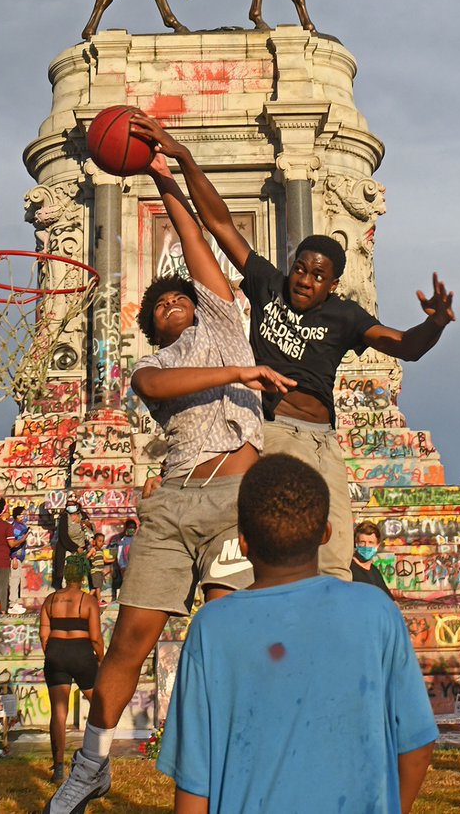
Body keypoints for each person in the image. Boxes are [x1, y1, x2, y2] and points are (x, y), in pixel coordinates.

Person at [44, 152, 293, 814]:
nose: (178, 301)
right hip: (175, 500)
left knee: (226, 628)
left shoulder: (224, 325)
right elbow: (156, 385)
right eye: (165, 301)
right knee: (129, 639)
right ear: (153, 320)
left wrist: (160, 174)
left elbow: (194, 239)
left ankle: (237, 762)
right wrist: (238, 376)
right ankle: (92, 763)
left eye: (184, 295)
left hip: (237, 497)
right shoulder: (152, 366)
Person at [131, 112, 455, 581]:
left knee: (337, 553)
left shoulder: (345, 316)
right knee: (295, 548)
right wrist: (182, 157)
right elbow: (218, 223)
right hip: (277, 429)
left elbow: (405, 346)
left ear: (334, 283)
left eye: (317, 275)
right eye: (301, 268)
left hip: (324, 440)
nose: (304, 280)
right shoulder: (269, 284)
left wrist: (438, 323)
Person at [158, 453, 435, 813]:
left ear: (243, 542)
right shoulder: (375, 610)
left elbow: (195, 784)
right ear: (326, 533)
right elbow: (416, 746)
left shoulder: (212, 626)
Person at [40, 553, 106, 785]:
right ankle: (96, 760)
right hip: (81, 653)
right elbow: (96, 638)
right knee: (100, 707)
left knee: (58, 712)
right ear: (83, 576)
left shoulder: (50, 599)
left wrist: (52, 654)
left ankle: (58, 768)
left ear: (66, 576)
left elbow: (43, 635)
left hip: (56, 652)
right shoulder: (87, 601)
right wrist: (101, 658)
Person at [350, 519, 392, 595]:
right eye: (362, 542)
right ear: (356, 543)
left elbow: (388, 597)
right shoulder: (348, 569)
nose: (366, 546)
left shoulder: (375, 571)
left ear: (377, 545)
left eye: (371, 542)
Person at [8, 505, 30, 615]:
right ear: (17, 516)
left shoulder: (21, 526)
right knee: (14, 579)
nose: (25, 516)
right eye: (23, 514)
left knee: (17, 579)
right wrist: (14, 558)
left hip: (19, 557)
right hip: (15, 558)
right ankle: (12, 603)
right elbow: (13, 544)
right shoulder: (16, 528)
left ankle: (15, 602)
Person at [112, 518, 137, 600]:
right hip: (125, 567)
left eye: (133, 528)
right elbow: (119, 555)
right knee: (126, 583)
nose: (131, 530)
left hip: (136, 567)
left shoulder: (137, 540)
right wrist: (122, 566)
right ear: (126, 528)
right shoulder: (123, 541)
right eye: (130, 528)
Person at [87, 532, 109, 606]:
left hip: (100, 572)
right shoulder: (94, 549)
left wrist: (114, 560)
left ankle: (86, 599)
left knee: (94, 588)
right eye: (99, 541)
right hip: (95, 571)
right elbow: (87, 556)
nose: (101, 543)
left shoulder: (101, 551)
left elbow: (105, 560)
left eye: (103, 541)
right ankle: (99, 600)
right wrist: (90, 556)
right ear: (95, 541)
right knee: (98, 587)